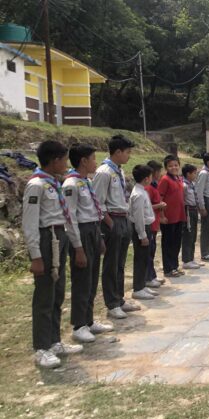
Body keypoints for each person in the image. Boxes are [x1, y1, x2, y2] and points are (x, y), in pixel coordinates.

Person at [23, 141, 84, 368]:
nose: (66, 164)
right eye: (64, 160)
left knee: (57, 293)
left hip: (60, 237)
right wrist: (36, 256)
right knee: (44, 296)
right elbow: (29, 223)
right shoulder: (36, 185)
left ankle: (54, 340)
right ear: (55, 160)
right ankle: (42, 348)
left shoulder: (54, 184)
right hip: (46, 239)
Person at [64, 143, 112, 345]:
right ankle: (79, 325)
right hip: (81, 233)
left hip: (92, 230)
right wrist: (78, 247)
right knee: (82, 280)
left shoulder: (87, 182)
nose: (95, 162)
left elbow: (93, 212)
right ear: (83, 161)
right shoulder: (71, 185)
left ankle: (89, 320)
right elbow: (70, 218)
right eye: (93, 158)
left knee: (92, 278)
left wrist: (99, 237)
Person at [93, 134, 138, 320]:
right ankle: (111, 303)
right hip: (111, 219)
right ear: (117, 152)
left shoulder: (118, 170)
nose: (129, 156)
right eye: (127, 152)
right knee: (111, 264)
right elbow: (97, 201)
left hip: (123, 217)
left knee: (120, 262)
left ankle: (119, 298)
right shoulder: (104, 172)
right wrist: (109, 222)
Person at [128, 164, 157, 301]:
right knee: (140, 258)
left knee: (145, 257)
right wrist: (142, 235)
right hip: (142, 227)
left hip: (146, 226)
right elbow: (138, 216)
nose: (152, 179)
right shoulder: (138, 194)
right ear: (146, 179)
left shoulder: (142, 191)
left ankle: (142, 285)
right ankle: (138, 288)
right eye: (151, 177)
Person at [158, 155, 186, 277]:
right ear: (166, 168)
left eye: (176, 165)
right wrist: (161, 216)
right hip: (168, 218)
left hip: (179, 216)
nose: (174, 167)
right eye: (170, 166)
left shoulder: (178, 178)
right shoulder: (165, 180)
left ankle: (175, 266)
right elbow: (159, 198)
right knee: (168, 244)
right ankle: (168, 269)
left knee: (176, 243)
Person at [145, 160, 167, 284]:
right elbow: (146, 206)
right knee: (149, 252)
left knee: (152, 250)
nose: (160, 174)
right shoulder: (148, 188)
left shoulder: (154, 186)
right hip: (150, 222)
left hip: (155, 222)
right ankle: (148, 277)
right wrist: (159, 205)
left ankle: (152, 275)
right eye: (159, 171)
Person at [181, 164, 201, 270]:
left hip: (194, 210)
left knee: (193, 235)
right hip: (188, 210)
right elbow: (182, 200)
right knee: (188, 235)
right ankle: (186, 260)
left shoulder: (192, 184)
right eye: (194, 173)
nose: (195, 175)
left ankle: (191, 258)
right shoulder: (184, 185)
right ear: (188, 174)